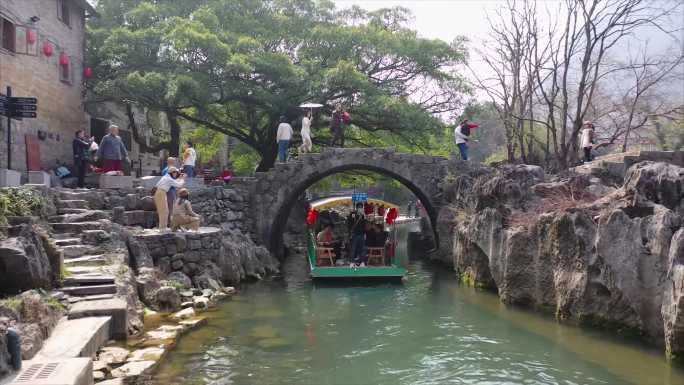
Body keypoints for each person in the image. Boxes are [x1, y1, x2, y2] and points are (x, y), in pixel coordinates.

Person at [154, 167, 185, 231]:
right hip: (161, 193)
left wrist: (179, 179)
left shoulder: (167, 177)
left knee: (165, 211)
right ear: (173, 173)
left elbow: (174, 182)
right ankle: (162, 228)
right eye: (176, 172)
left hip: (161, 192)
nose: (176, 174)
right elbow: (179, 185)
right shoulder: (168, 179)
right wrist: (182, 179)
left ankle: (163, 227)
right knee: (163, 211)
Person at [346, 203, 367, 267]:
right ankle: (352, 262)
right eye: (359, 207)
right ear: (357, 208)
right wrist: (356, 217)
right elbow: (349, 223)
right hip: (354, 234)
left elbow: (364, 225)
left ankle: (362, 262)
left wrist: (365, 233)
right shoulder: (353, 214)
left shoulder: (363, 215)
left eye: (361, 207)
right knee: (353, 248)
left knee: (362, 249)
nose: (361, 208)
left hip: (362, 234)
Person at [161, 157, 178, 224]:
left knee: (167, 206)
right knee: (171, 207)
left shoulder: (164, 170)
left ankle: (168, 222)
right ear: (172, 162)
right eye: (174, 162)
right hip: (171, 191)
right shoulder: (171, 170)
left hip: (165, 190)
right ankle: (170, 222)